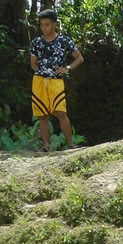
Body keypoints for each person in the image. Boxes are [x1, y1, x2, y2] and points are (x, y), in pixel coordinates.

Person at [30, 8, 83, 151]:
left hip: (56, 81)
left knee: (61, 112)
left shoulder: (64, 41)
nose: (43, 28)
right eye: (41, 25)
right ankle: (46, 146)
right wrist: (42, 73)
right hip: (39, 81)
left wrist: (67, 68)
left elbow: (79, 57)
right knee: (42, 114)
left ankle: (71, 144)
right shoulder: (36, 42)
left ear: (55, 24)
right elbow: (33, 63)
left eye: (47, 24)